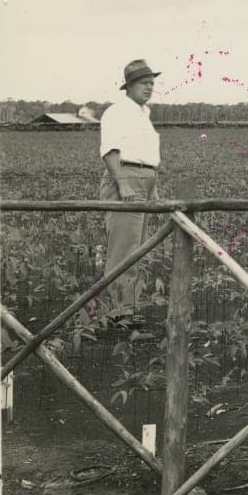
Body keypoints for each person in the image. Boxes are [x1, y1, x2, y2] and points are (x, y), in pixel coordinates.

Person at [99, 59, 163, 321]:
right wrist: (123, 184)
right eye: (144, 83)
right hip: (125, 177)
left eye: (151, 83)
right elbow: (109, 151)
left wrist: (153, 187)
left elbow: (146, 154)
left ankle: (130, 307)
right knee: (124, 248)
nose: (149, 88)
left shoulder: (143, 114)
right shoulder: (117, 112)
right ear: (130, 86)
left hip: (145, 179)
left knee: (138, 247)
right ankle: (117, 312)